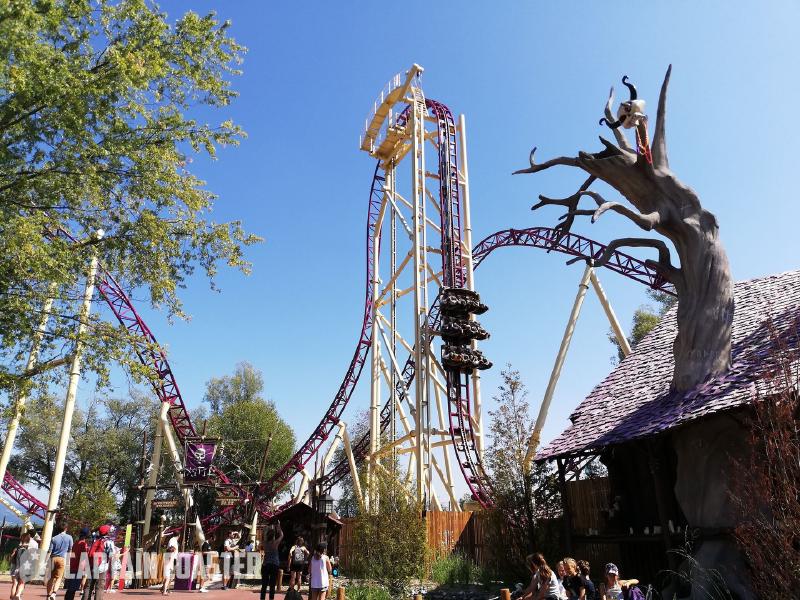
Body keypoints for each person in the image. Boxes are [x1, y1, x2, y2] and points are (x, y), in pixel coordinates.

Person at [82, 525, 114, 600]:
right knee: (99, 587)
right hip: (102, 567)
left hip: (92, 565)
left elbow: (93, 532)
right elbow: (111, 554)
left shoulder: (95, 539)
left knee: (88, 586)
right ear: (107, 532)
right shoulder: (109, 542)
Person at [46, 521, 74, 600]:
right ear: (66, 528)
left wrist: (46, 560)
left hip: (53, 558)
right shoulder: (69, 537)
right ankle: (54, 593)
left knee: (51, 578)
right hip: (62, 559)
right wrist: (69, 560)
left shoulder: (54, 538)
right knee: (59, 578)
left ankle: (48, 595)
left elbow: (49, 551)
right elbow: (70, 550)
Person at [10, 530, 38, 600]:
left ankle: (12, 596)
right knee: (22, 583)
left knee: (14, 584)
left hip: (15, 567)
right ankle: (18, 594)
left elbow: (12, 557)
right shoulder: (33, 546)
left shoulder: (17, 547)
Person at [65, 528, 90, 600]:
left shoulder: (76, 543)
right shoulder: (83, 544)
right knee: (72, 589)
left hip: (73, 566)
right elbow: (84, 557)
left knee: (70, 589)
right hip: (78, 568)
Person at [260, 523, 284, 600]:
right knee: (272, 584)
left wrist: (264, 530)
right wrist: (279, 527)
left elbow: (262, 537)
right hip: (274, 564)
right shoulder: (275, 543)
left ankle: (262, 598)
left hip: (266, 564)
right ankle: (271, 598)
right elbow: (281, 535)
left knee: (264, 584)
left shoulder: (264, 543)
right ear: (273, 536)